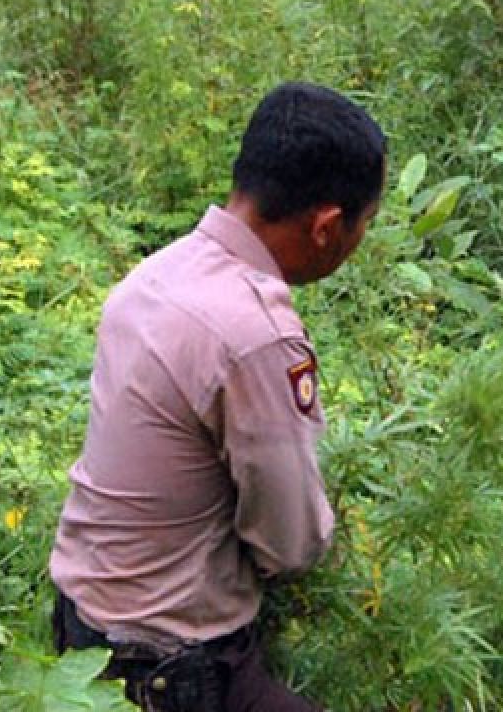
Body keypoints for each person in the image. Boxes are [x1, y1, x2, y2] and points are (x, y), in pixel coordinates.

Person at [49, 81, 386, 711]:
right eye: (364, 225)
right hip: (168, 666)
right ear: (327, 227)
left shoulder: (155, 274)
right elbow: (292, 544)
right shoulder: (254, 334)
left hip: (81, 628)